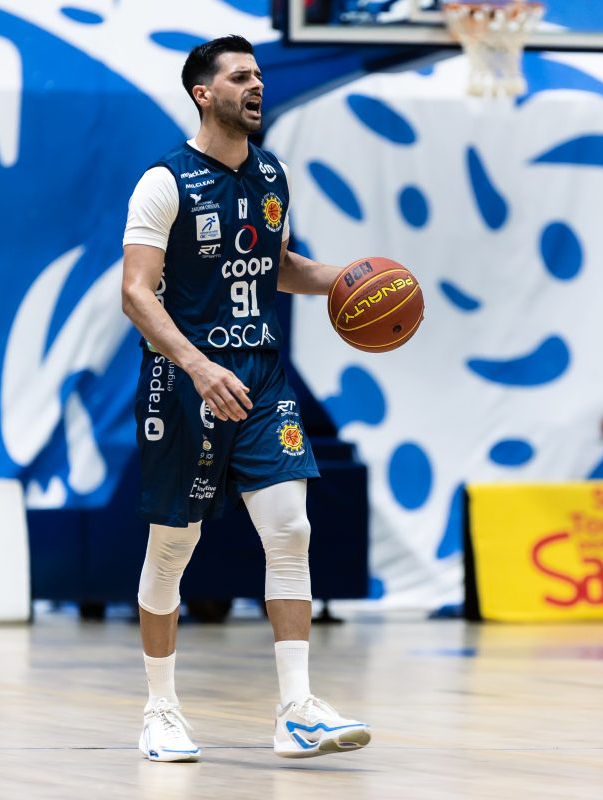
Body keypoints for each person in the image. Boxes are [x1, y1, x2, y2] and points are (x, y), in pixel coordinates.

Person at [121, 35, 369, 763]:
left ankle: (297, 710)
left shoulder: (271, 173)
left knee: (290, 531)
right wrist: (197, 366)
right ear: (205, 94)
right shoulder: (163, 181)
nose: (256, 85)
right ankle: (160, 710)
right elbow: (136, 292)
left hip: (260, 377)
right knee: (174, 547)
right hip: (185, 379)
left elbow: (273, 265)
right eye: (239, 76)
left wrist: (350, 279)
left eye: (259, 74)